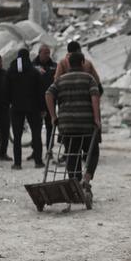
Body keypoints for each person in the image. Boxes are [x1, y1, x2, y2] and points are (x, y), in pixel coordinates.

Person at [45, 51, 101, 193]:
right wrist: (96, 118)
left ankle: (75, 184)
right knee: (92, 152)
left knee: (71, 153)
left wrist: (53, 116)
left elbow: (48, 94)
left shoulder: (60, 80)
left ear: (69, 63)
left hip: (67, 124)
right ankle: (86, 180)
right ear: (82, 63)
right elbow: (95, 97)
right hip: (86, 124)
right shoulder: (89, 79)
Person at [7, 49, 44, 170]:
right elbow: (40, 91)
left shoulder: (11, 71)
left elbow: (5, 88)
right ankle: (38, 161)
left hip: (16, 107)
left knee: (17, 136)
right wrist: (42, 108)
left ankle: (17, 163)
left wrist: (9, 102)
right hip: (33, 107)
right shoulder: (34, 72)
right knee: (36, 134)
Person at [32, 44, 58, 149]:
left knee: (50, 127)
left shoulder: (54, 66)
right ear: (39, 53)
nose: (47, 55)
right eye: (45, 53)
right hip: (36, 102)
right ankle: (35, 151)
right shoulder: (31, 66)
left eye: (48, 53)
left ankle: (49, 150)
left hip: (50, 102)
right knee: (36, 129)